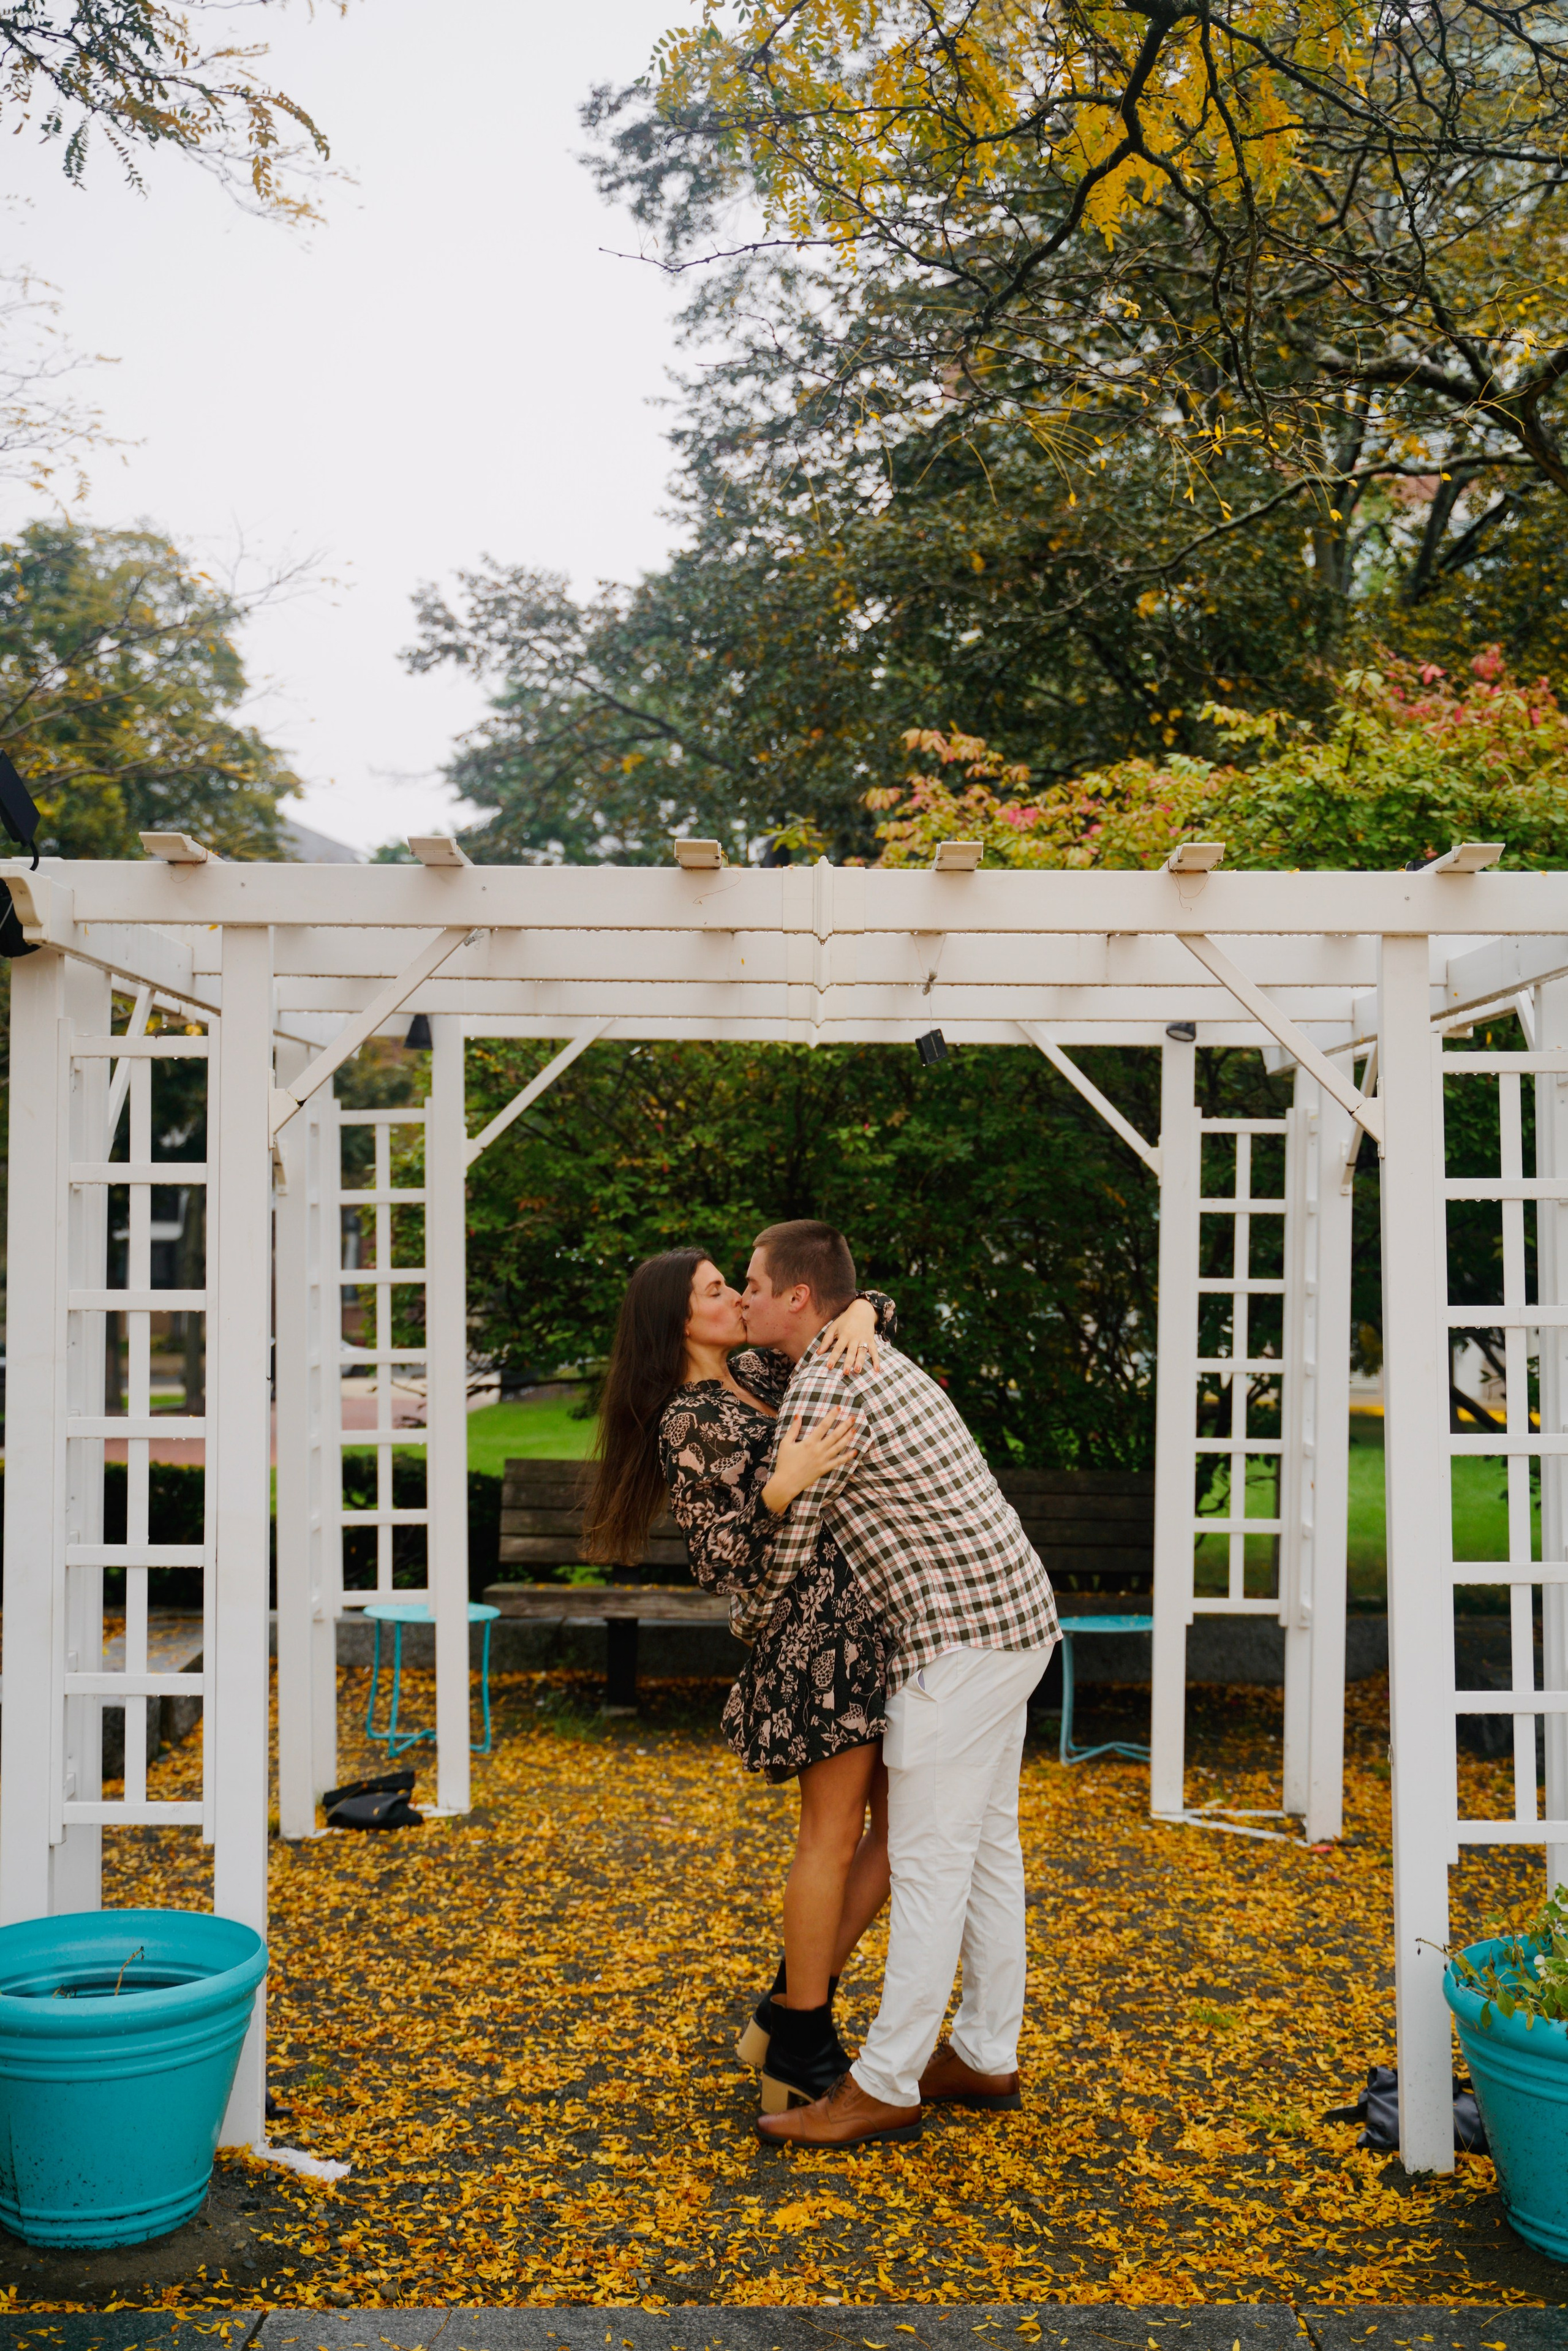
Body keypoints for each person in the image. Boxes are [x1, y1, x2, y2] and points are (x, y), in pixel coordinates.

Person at [734, 1218, 1059, 2149]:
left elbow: (789, 1549)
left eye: (756, 1282)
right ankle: (987, 2051)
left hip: (958, 1645)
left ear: (799, 1297)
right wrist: (871, 1309)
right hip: (1015, 1618)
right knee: (989, 1850)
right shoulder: (855, 1348)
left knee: (925, 1864)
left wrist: (750, 1629)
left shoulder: (826, 1383)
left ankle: (884, 2081)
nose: (748, 1295)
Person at [584, 1245, 897, 2110]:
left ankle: (787, 2010)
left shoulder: (759, 1366)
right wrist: (780, 1487)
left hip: (869, 1620)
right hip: (812, 1640)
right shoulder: (688, 1420)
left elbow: (839, 1312)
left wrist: (864, 1309)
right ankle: (802, 2035)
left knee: (902, 1838)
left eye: (732, 1283)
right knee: (832, 1837)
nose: (734, 1297)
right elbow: (720, 1557)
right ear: (679, 1319)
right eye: (716, 1290)